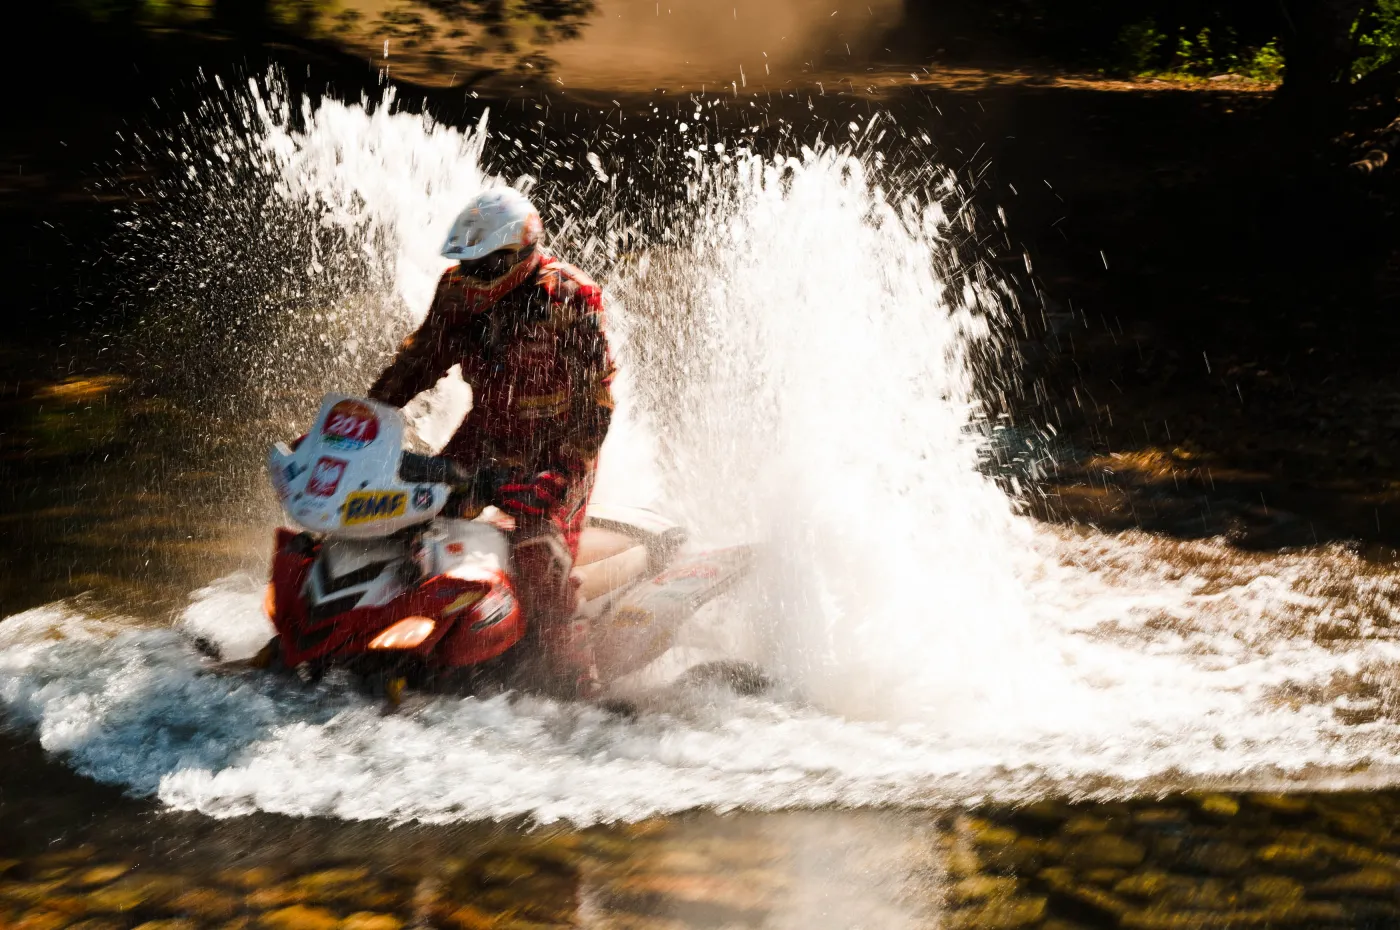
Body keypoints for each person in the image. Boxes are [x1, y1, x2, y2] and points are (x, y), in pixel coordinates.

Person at [367, 187, 615, 698]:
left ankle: (578, 682)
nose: (472, 275)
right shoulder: (455, 290)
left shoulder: (574, 296)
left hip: (558, 447)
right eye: (468, 262)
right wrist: (362, 421)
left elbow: (597, 405)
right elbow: (419, 361)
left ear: (520, 254)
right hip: (485, 435)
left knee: (536, 551)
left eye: (484, 264)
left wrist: (559, 476)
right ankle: (391, 634)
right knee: (409, 516)